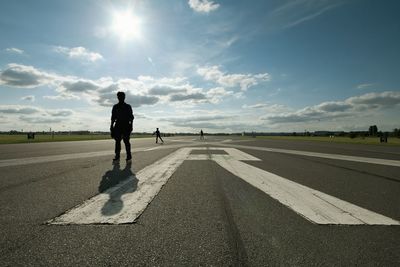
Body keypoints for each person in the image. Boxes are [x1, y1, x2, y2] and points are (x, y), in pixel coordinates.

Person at [110, 91, 134, 162]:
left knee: (126, 141)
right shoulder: (115, 107)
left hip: (126, 125)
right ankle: (117, 155)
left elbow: (131, 117)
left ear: (124, 97)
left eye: (122, 96)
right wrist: (111, 126)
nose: (120, 98)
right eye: (119, 96)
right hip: (118, 125)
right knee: (117, 141)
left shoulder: (128, 106)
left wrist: (131, 126)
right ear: (117, 97)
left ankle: (129, 155)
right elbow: (113, 118)